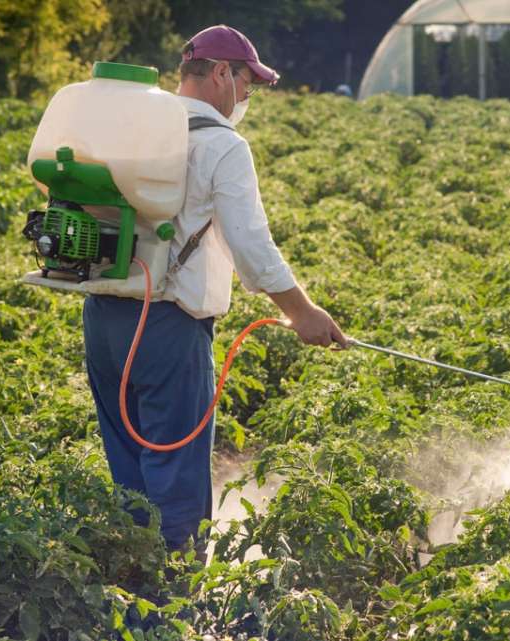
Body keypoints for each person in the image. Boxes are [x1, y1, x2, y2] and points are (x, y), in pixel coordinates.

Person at [82, 24, 346, 560]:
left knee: (129, 471)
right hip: (167, 330)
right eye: (248, 84)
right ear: (223, 74)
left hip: (103, 318)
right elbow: (250, 244)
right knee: (174, 474)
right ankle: (174, 603)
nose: (249, 97)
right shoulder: (222, 145)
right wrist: (303, 313)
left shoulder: (132, 127)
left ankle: (129, 584)